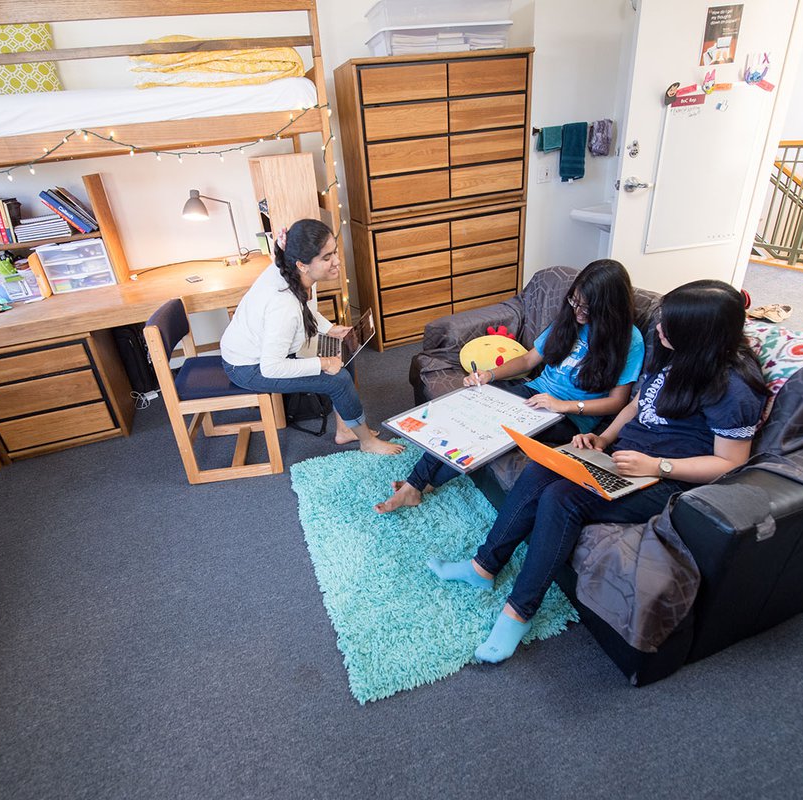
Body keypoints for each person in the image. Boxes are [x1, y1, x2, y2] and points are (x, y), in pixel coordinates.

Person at [428, 279, 768, 663]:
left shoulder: (733, 388)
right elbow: (637, 406)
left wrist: (657, 465)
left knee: (562, 498)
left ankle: (519, 612)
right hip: (624, 458)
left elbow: (731, 464)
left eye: (668, 325)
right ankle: (483, 566)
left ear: (698, 336)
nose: (657, 328)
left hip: (666, 479)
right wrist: (602, 441)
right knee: (543, 465)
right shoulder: (674, 353)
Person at [375, 259, 644, 514]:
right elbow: (529, 358)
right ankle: (416, 484)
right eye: (574, 302)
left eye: (586, 308)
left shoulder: (629, 340)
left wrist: (562, 405)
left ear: (608, 308)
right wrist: (489, 375)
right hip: (536, 394)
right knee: (470, 412)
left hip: (570, 417)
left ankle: (416, 486)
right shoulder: (570, 318)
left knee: (491, 430)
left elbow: (618, 401)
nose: (578, 312)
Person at [221, 219, 402, 456]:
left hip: (270, 349)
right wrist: (324, 364)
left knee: (345, 348)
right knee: (337, 380)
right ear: (303, 265)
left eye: (334, 252)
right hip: (249, 366)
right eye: (327, 258)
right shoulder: (283, 306)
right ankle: (366, 441)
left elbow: (306, 309)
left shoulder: (294, 271)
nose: (336, 261)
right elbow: (271, 367)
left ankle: (345, 429)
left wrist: (328, 329)